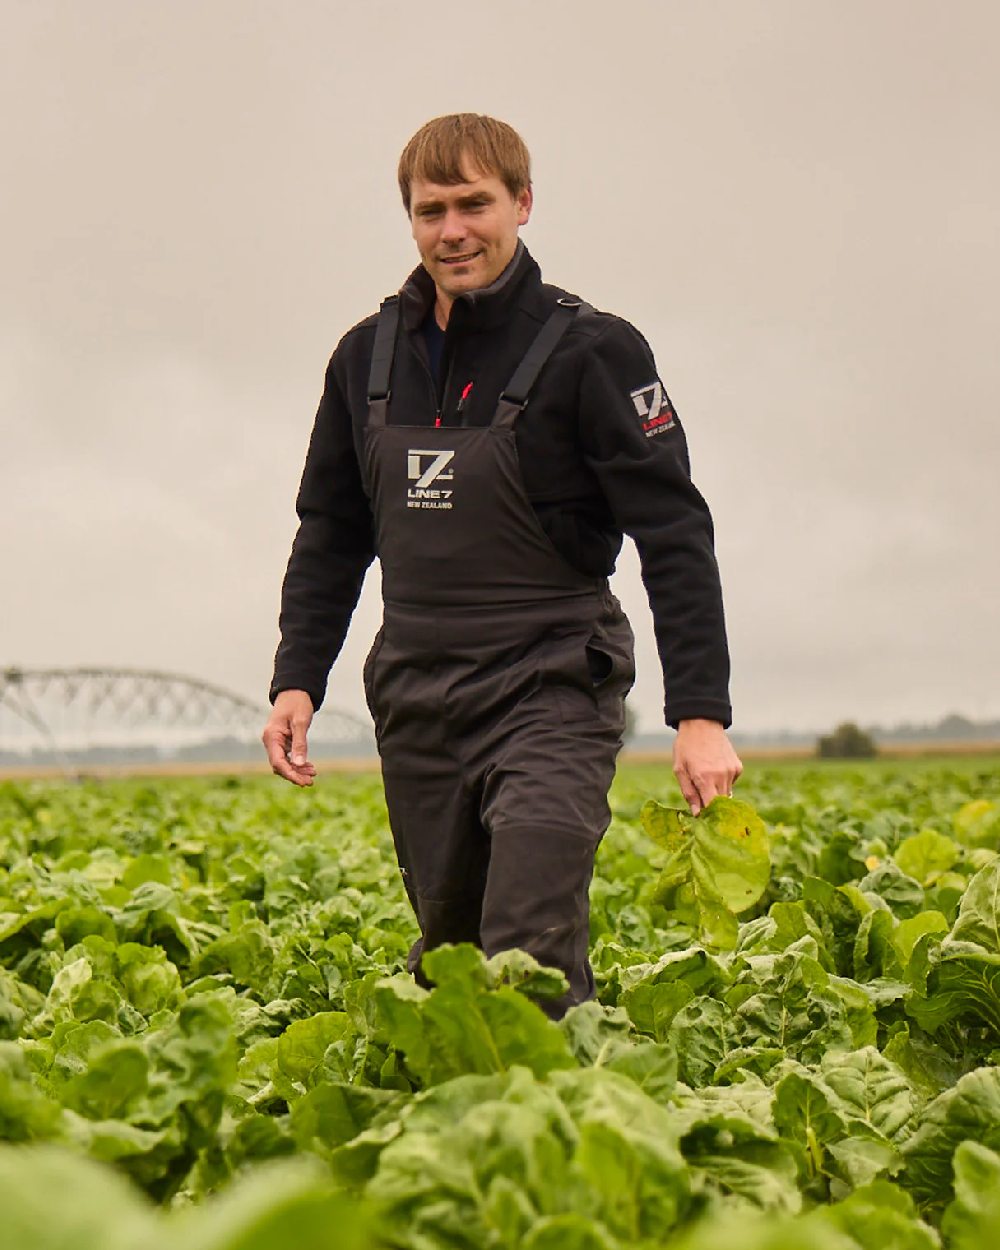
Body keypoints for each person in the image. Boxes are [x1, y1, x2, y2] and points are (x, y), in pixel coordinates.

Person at [262, 113, 741, 1017]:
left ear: (522, 203)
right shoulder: (365, 358)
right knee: (453, 956)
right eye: (430, 210)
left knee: (527, 948)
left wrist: (701, 712)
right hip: (417, 692)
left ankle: (555, 1102)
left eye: (474, 205)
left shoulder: (594, 351)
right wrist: (298, 677)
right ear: (410, 219)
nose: (453, 231)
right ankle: (498, 1094)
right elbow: (330, 531)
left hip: (549, 682)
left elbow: (674, 530)